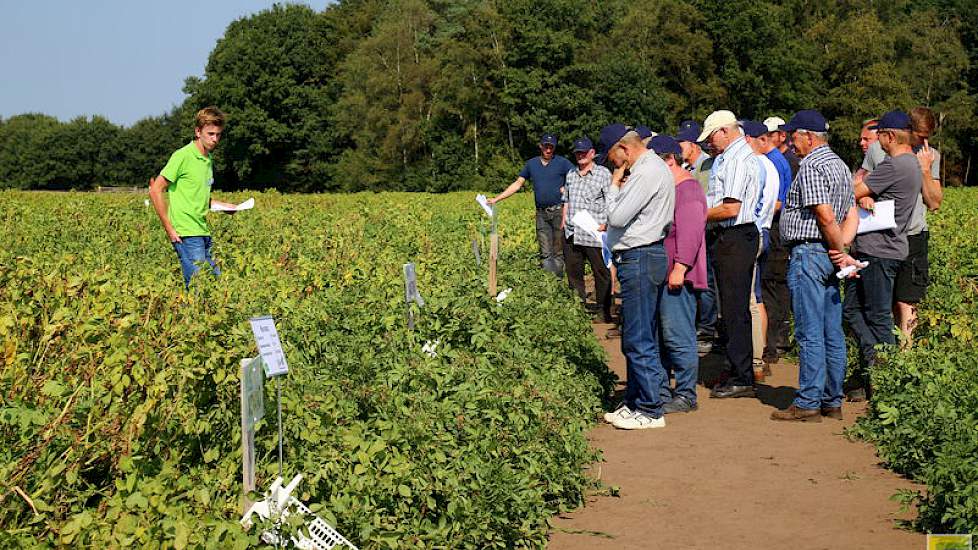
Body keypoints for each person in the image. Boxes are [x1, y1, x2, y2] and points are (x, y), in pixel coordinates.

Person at [770, 110, 859, 422]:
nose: (792, 143)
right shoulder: (840, 164)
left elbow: (825, 215)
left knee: (809, 331)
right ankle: (831, 400)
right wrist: (842, 251)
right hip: (829, 255)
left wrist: (839, 249)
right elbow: (851, 214)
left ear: (808, 136)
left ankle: (808, 401)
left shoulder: (811, 166)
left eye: (794, 137)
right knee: (831, 330)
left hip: (810, 253)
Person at [598, 124, 675, 430]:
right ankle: (634, 400)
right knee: (637, 333)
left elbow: (616, 217)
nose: (615, 165)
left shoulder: (645, 172)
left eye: (614, 158)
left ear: (625, 148)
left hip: (641, 256)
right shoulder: (648, 168)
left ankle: (650, 408)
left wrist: (615, 186)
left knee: (639, 335)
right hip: (641, 256)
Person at [843, 110, 923, 401]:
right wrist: (868, 195)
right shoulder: (911, 164)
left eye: (879, 136)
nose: (877, 142)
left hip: (879, 251)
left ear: (889, 136)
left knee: (876, 316)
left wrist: (862, 192)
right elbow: (865, 192)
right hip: (880, 249)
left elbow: (851, 190)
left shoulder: (894, 165)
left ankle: (888, 380)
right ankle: (877, 361)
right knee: (852, 311)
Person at [855, 109, 942, 346]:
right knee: (882, 303)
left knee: (907, 300)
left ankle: (904, 357)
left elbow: (934, 201)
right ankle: (880, 358)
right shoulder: (877, 149)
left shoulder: (930, 155)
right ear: (908, 130)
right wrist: (864, 197)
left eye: (928, 137)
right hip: (880, 233)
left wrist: (924, 170)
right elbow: (861, 182)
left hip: (913, 233)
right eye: (921, 135)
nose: (924, 142)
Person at [699, 111, 761, 399]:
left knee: (735, 308)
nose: (710, 142)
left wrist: (695, 215)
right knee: (732, 307)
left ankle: (742, 375)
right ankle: (738, 368)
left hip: (735, 235)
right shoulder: (732, 156)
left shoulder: (736, 159)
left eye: (712, 135)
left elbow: (730, 208)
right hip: (732, 236)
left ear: (725, 131)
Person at [649, 135, 708, 413]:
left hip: (678, 276)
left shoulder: (688, 189)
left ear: (669, 160)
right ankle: (662, 391)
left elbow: (692, 232)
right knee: (661, 335)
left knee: (677, 336)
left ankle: (686, 394)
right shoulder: (668, 190)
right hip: (663, 272)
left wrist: (680, 267)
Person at [149, 106, 238, 288]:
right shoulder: (183, 156)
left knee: (215, 283)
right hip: (186, 233)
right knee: (200, 287)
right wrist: (169, 229)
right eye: (211, 134)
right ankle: (193, 316)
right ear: (198, 131)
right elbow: (156, 189)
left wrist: (225, 206)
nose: (215, 139)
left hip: (202, 230)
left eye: (218, 135)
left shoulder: (208, 159)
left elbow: (199, 198)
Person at [488, 133, 575, 277]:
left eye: (551, 147)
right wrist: (497, 199)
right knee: (545, 252)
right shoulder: (532, 164)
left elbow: (576, 178)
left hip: (559, 212)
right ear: (540, 146)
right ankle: (549, 284)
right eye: (546, 147)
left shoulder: (563, 163)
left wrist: (567, 188)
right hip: (541, 214)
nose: (548, 150)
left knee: (558, 251)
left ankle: (559, 284)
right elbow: (518, 184)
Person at [742, 121, 781, 382]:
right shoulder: (769, 164)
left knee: (751, 301)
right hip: (763, 231)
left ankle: (755, 362)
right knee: (754, 297)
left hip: (752, 232)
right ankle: (755, 359)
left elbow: (751, 205)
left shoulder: (756, 165)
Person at [676, 119, 718, 354]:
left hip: (704, 229)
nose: (679, 146)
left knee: (707, 282)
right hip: (693, 230)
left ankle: (707, 328)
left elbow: (703, 198)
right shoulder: (688, 168)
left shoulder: (706, 166)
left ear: (692, 144)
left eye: (682, 142)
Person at [561, 137, 613, 322]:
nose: (580, 155)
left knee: (600, 272)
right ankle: (578, 309)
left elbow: (611, 200)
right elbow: (566, 200)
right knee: (574, 272)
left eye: (584, 152)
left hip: (594, 232)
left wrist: (607, 224)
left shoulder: (603, 174)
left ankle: (603, 310)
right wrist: (563, 223)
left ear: (592, 153)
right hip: (572, 231)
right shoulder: (571, 174)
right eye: (577, 152)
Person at [757, 119, 795, 367]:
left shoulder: (776, 162)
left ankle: (775, 342)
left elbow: (782, 201)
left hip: (777, 231)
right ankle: (774, 341)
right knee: (772, 286)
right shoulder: (775, 160)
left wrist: (758, 210)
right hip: (775, 230)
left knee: (773, 286)